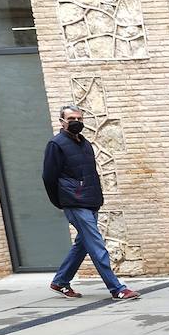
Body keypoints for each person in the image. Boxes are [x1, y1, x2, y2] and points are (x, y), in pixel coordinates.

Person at [42, 105, 139, 300]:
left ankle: (60, 281)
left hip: (90, 200)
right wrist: (61, 201)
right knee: (96, 245)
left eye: (79, 118)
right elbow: (48, 177)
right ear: (62, 122)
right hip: (74, 202)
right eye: (71, 119)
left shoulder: (84, 143)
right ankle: (117, 288)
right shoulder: (56, 144)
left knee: (83, 244)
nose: (76, 122)